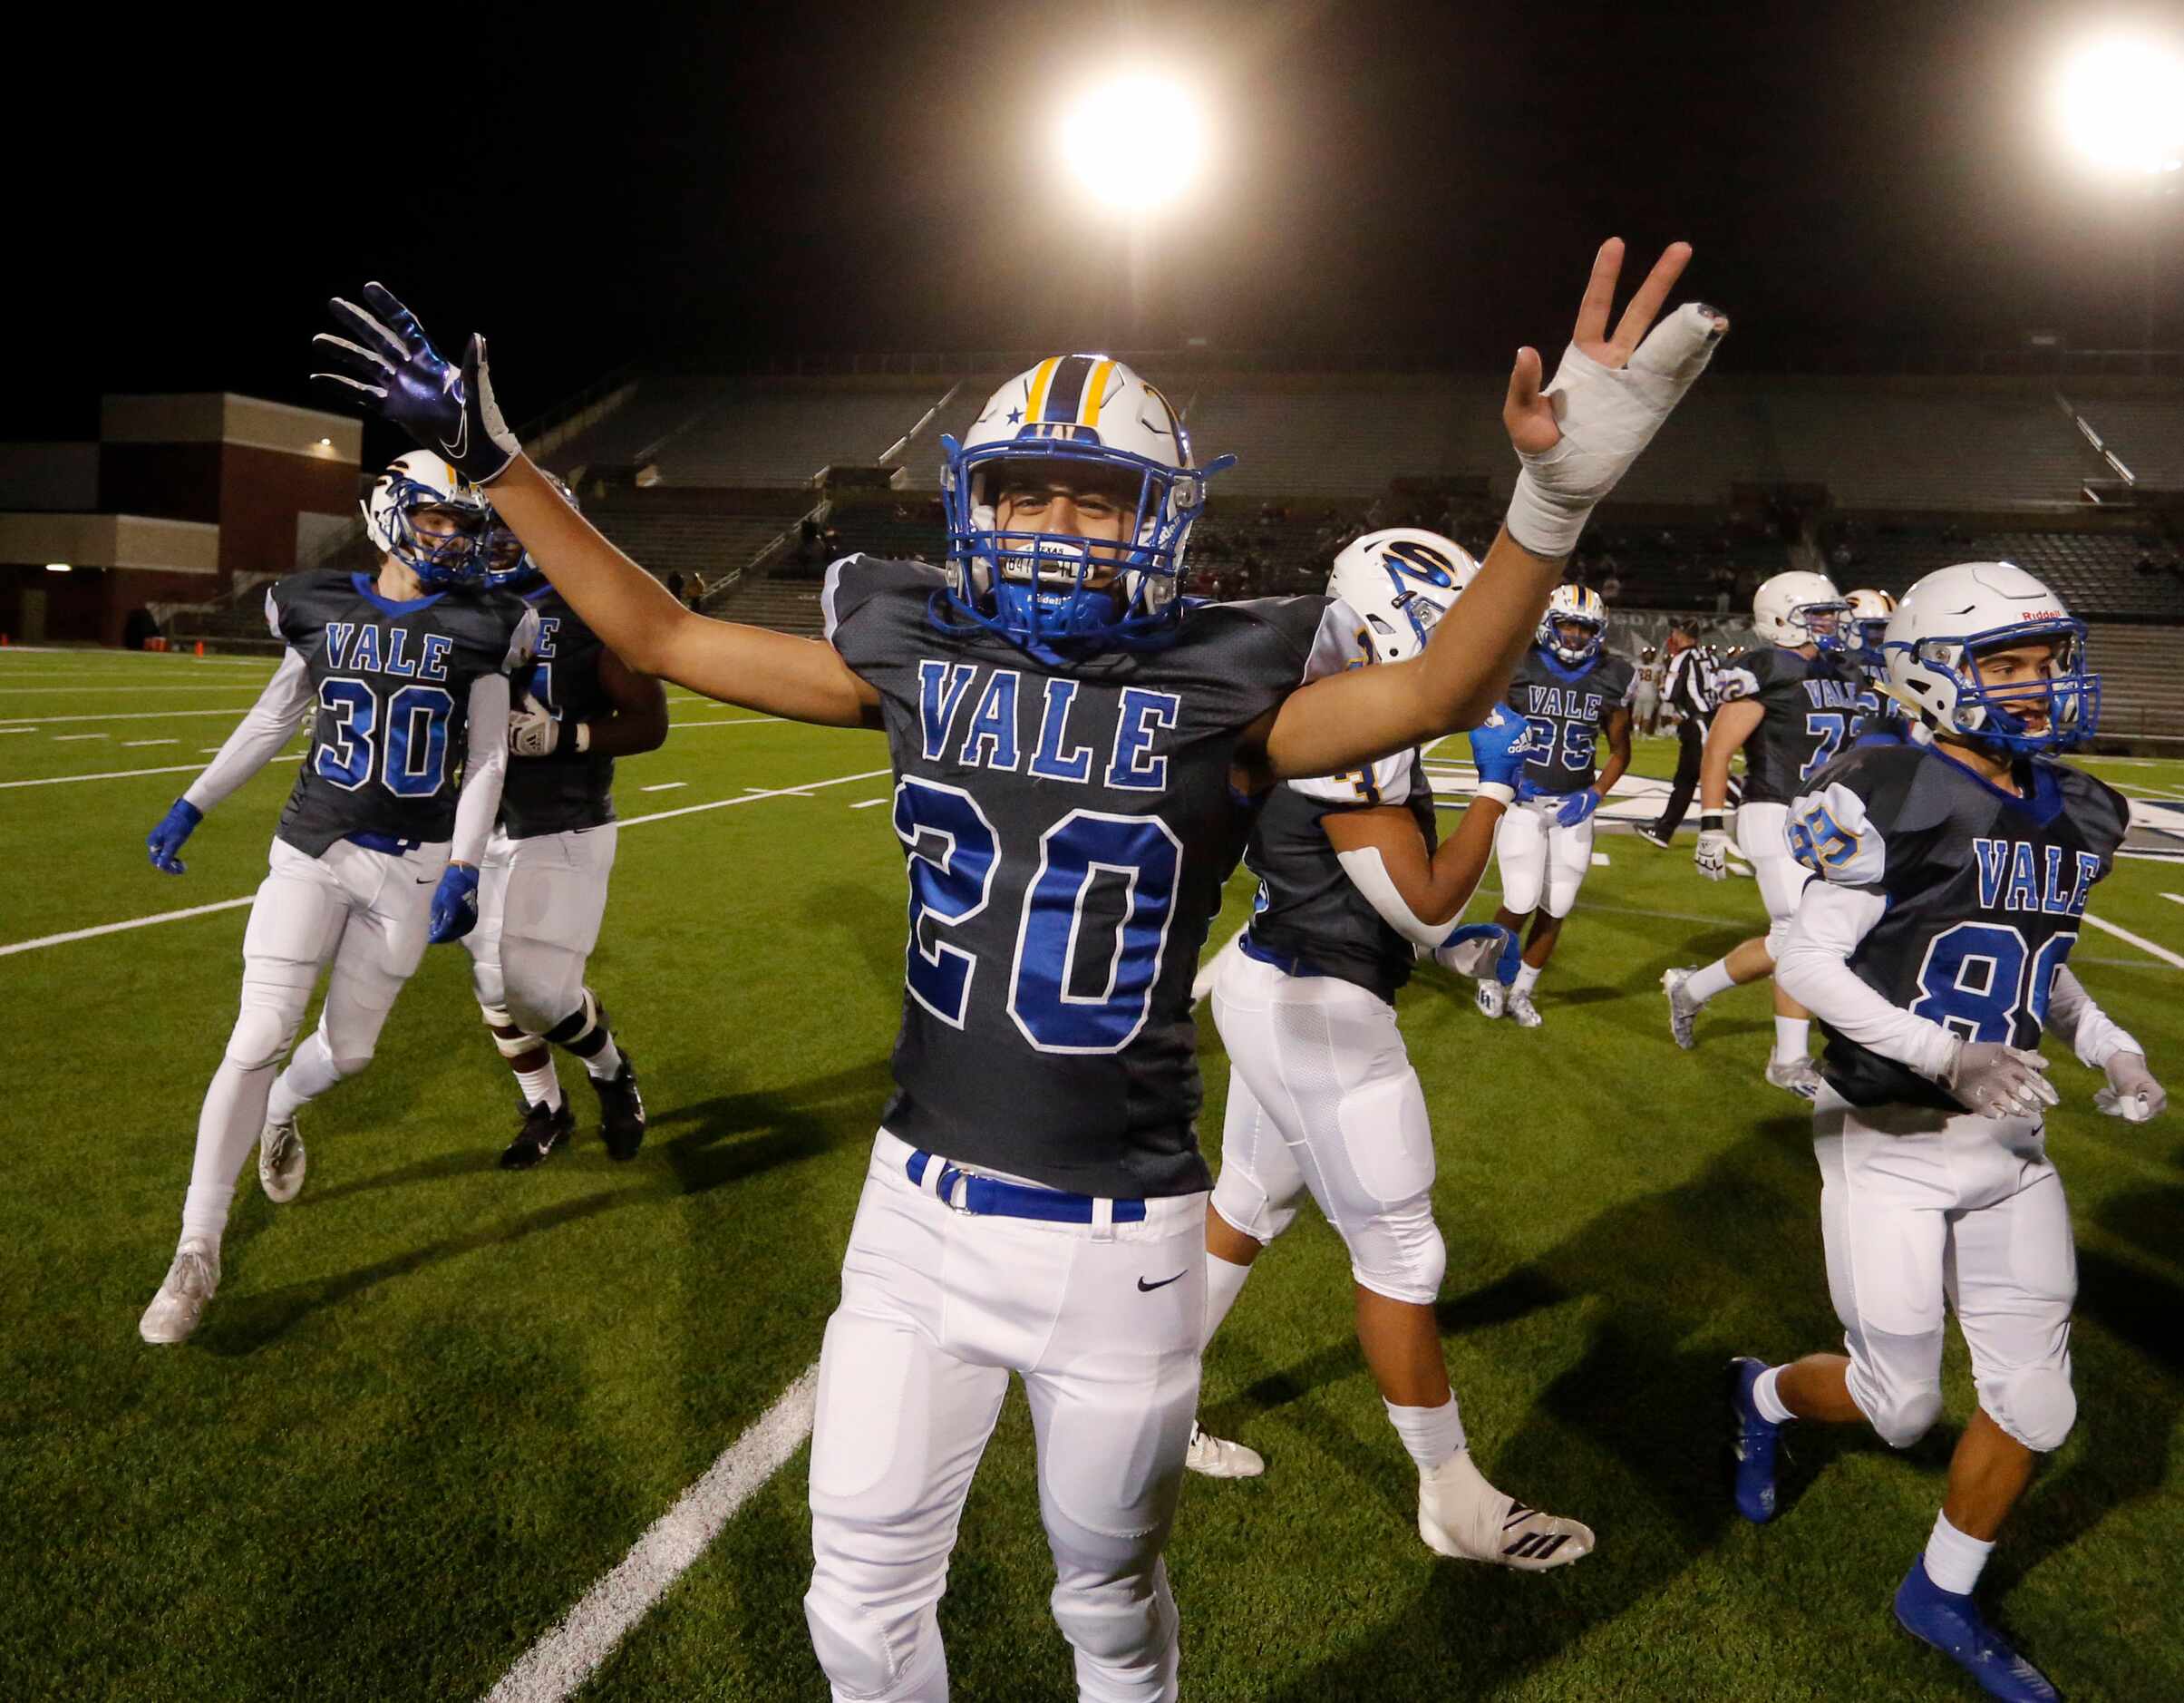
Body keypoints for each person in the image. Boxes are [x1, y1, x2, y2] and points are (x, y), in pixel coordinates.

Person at [312, 245, 1722, 1701]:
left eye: (1096, 493)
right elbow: (660, 633)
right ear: (969, 505)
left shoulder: (1225, 684)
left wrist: (1550, 504)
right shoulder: (916, 650)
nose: (1057, 521)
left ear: (1158, 518)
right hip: (914, 1215)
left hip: (1119, 1239)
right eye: (1025, 489)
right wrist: (501, 463)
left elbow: (1438, 691)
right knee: (856, 1598)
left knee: (1107, 1602)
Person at [1729, 561, 2165, 1703]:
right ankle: (1765, 1395)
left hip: (2009, 1145)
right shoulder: (1884, 782)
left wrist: (2105, 1040)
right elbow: (1812, 960)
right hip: (1889, 1136)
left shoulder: (2081, 805)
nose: (2041, 688)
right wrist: (1942, 1054)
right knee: (1902, 1406)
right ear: (1930, 677)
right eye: (2007, 666)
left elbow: (2040, 963)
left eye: (2050, 662)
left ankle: (1941, 1590)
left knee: (2038, 1401)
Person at [1186, 529, 1594, 1572]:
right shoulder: (1359, 727)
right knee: (1404, 1251)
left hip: (1279, 978)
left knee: (1249, 1204)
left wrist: (1456, 948)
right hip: (1319, 1012)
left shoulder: (1338, 692)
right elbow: (1418, 902)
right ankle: (1453, 1499)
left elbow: (1387, 905)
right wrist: (1494, 794)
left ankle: (1147, 1402)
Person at [138, 451, 538, 1344]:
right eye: (432, 520)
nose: (448, 538)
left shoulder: (485, 623)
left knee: (349, 1054)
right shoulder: (316, 602)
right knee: (258, 1031)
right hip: (313, 846)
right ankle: (197, 1248)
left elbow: (488, 756)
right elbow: (277, 715)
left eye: (458, 525)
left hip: (414, 864)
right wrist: (195, 801)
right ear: (392, 512)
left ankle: (285, 1109)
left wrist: (467, 865)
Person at [466, 473, 665, 1168]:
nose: (494, 538)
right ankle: (546, 1107)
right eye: (487, 524)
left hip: (564, 820)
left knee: (540, 991)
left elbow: (649, 723)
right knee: (492, 986)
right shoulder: (460, 604)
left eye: (510, 525)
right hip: (473, 822)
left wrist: (562, 737)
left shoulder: (588, 610)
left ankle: (611, 1073)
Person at [1662, 570, 1860, 1096]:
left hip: (1830, 817)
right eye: (1817, 616)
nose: (1830, 625)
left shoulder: (1841, 669)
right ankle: (1789, 1060)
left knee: (1788, 938)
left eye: (1831, 615)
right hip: (1774, 810)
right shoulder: (1761, 667)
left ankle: (1690, 989)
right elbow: (1718, 749)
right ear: (1780, 621)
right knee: (1805, 931)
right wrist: (1709, 827)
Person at [1463, 584, 1635, 1029]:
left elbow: (1620, 750)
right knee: (1519, 898)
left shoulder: (1613, 675)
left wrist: (1595, 794)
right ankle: (1489, 975)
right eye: (1568, 625)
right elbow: (1489, 728)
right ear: (1548, 624)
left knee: (1556, 906)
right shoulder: (1519, 666)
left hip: (1575, 805)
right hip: (1524, 802)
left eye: (1585, 627)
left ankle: (1522, 990)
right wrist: (1505, 777)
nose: (1576, 635)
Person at [1637, 619, 1716, 845]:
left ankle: (1756, 816)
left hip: (1698, 724)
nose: (1672, 634)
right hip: (1709, 719)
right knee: (1687, 779)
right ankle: (1664, 830)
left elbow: (1670, 693)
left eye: (1675, 630)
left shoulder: (1683, 657)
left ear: (1681, 634)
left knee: (1713, 775)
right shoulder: (1708, 656)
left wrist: (1664, 689)